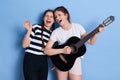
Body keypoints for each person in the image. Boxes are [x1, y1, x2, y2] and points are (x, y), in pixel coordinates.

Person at [44, 6, 104, 80]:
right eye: (55, 17)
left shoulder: (78, 27)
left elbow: (91, 42)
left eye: (59, 15)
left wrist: (97, 33)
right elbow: (46, 50)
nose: (57, 18)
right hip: (61, 60)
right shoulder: (56, 32)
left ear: (66, 15)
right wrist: (62, 50)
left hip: (75, 61)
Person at [22, 9, 55, 80]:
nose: (49, 18)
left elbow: (49, 51)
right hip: (31, 58)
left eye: (51, 17)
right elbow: (24, 45)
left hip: (43, 61)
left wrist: (55, 63)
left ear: (54, 20)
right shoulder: (36, 27)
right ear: (43, 18)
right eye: (47, 16)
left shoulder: (53, 34)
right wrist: (29, 31)